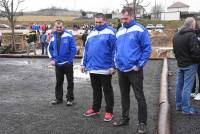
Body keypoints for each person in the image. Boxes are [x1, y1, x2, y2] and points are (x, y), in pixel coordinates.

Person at [112, 7, 151, 134]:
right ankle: (125, 118)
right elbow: (116, 49)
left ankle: (142, 123)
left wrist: (140, 65)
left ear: (132, 17)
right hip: (121, 69)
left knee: (139, 97)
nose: (123, 21)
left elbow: (147, 49)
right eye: (121, 18)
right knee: (124, 96)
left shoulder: (140, 29)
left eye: (126, 18)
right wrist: (116, 63)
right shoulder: (120, 31)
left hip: (135, 70)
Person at [81, 13, 116, 122]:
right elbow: (86, 50)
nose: (98, 24)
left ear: (105, 21)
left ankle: (109, 111)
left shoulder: (111, 32)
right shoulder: (91, 34)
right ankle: (95, 109)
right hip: (93, 67)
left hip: (106, 68)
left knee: (107, 90)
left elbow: (116, 50)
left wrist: (114, 66)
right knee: (96, 90)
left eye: (100, 22)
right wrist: (83, 64)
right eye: (96, 22)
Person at [173, 17, 200, 114]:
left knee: (179, 85)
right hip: (190, 64)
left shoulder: (176, 35)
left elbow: (175, 51)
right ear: (192, 25)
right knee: (187, 87)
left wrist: (180, 60)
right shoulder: (191, 35)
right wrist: (197, 61)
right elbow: (195, 51)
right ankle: (186, 108)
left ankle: (178, 105)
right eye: (194, 24)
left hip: (180, 64)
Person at [48, 20, 77, 106]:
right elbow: (49, 49)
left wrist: (70, 60)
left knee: (70, 82)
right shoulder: (53, 37)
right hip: (58, 64)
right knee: (58, 82)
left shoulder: (69, 36)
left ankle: (70, 99)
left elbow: (73, 49)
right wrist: (52, 59)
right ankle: (58, 99)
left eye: (60, 27)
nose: (59, 28)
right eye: (57, 27)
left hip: (68, 63)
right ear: (54, 27)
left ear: (63, 26)